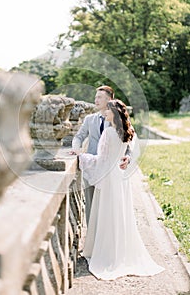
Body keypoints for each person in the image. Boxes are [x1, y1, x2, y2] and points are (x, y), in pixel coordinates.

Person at [78, 99, 165, 280]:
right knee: (120, 213)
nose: (105, 114)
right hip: (120, 177)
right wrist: (126, 159)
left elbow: (101, 160)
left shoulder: (109, 132)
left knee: (108, 213)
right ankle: (118, 251)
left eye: (108, 111)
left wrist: (82, 157)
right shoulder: (127, 132)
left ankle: (107, 253)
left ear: (114, 114)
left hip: (109, 178)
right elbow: (132, 152)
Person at [72, 85, 131, 225]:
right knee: (91, 205)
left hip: (111, 171)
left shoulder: (118, 121)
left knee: (109, 207)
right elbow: (78, 137)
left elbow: (128, 141)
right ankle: (91, 242)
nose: (95, 100)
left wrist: (128, 157)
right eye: (95, 97)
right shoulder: (89, 119)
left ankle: (106, 240)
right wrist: (76, 149)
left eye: (99, 97)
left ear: (109, 99)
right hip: (92, 167)